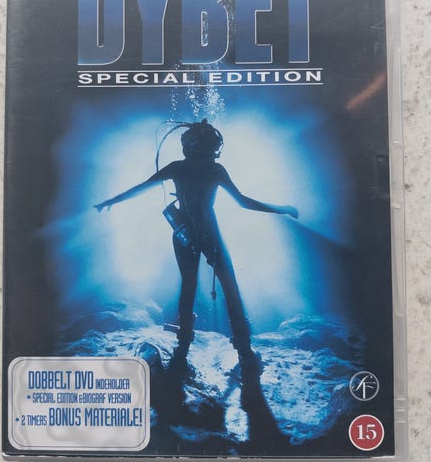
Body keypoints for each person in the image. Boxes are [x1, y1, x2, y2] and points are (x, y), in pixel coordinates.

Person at [95, 119, 298, 381]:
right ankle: (244, 350)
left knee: (189, 286)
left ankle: (183, 348)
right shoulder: (215, 170)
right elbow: (243, 202)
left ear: (188, 145)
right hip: (210, 232)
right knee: (229, 285)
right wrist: (281, 209)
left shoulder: (179, 167)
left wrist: (112, 200)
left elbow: (142, 187)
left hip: (183, 233)